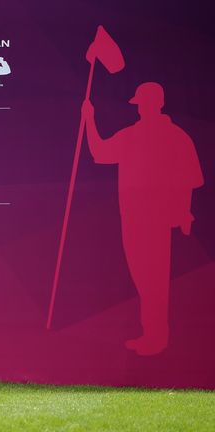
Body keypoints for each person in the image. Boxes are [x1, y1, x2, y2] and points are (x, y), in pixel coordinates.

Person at [81, 82, 203, 355]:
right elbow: (100, 152)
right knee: (143, 276)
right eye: (141, 105)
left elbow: (189, 178)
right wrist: (89, 119)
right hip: (132, 218)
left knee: (154, 277)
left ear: (156, 104)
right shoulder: (133, 135)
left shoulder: (175, 137)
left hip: (158, 219)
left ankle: (156, 336)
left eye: (145, 104)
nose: (142, 109)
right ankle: (153, 333)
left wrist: (183, 212)